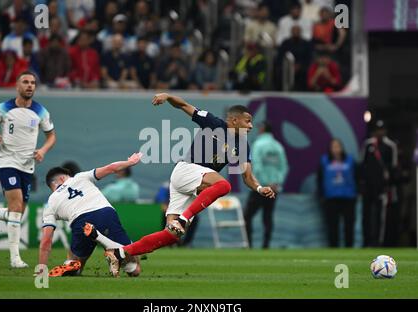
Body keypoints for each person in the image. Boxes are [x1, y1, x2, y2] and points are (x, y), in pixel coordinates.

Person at [83, 93, 276, 267]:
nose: (251, 126)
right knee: (223, 185)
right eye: (247, 121)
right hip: (187, 170)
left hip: (194, 184)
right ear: (234, 120)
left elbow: (247, 176)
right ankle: (182, 220)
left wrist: (259, 189)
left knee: (170, 236)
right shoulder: (214, 123)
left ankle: (119, 252)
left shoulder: (242, 145)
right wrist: (167, 96)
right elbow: (184, 105)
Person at [0, 70, 56, 268]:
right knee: (16, 207)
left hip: (27, 165)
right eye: (25, 82)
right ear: (17, 86)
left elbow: (52, 136)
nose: (29, 86)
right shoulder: (3, 108)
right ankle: (14, 258)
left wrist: (43, 150)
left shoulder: (40, 111)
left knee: (17, 211)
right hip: (7, 160)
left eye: (33, 83)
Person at [38, 153, 143, 278]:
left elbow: (46, 240)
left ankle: (71, 263)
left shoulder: (51, 202)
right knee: (134, 268)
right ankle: (112, 250)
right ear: (62, 178)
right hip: (105, 213)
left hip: (81, 222)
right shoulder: (80, 177)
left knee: (75, 263)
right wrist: (130, 162)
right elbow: (111, 168)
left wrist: (41, 269)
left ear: (52, 185)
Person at [244, 121, 289, 248]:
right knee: (268, 216)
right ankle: (266, 245)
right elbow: (283, 167)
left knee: (246, 216)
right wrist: (276, 183)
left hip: (261, 188)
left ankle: (249, 245)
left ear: (263, 129)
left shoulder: (258, 144)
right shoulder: (278, 146)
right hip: (274, 188)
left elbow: (256, 166)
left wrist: (265, 183)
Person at [359, 120, 398, 247]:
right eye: (378, 130)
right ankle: (366, 242)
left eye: (382, 130)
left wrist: (389, 185)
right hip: (368, 187)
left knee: (381, 217)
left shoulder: (390, 146)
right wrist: (363, 183)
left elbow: (393, 167)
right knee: (366, 215)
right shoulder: (368, 144)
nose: (380, 132)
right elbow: (362, 165)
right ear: (374, 131)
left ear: (385, 131)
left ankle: (379, 243)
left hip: (382, 188)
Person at [317, 139, 357, 247]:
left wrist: (357, 192)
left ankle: (349, 247)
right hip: (331, 198)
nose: (336, 149)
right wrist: (321, 195)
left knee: (349, 225)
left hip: (348, 198)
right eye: (333, 147)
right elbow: (319, 179)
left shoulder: (350, 160)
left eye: (338, 146)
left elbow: (357, 176)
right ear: (330, 149)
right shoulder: (324, 161)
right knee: (332, 226)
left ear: (342, 148)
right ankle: (333, 248)